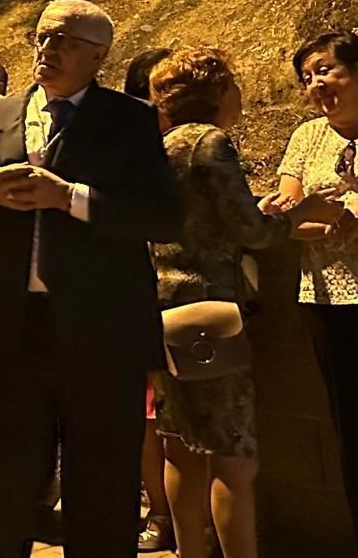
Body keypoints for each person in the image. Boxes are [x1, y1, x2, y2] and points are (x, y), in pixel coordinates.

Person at [0, 0, 182, 558]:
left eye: (66, 42)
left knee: (102, 483)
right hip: (7, 332)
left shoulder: (129, 121)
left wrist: (69, 198)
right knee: (1, 480)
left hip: (100, 332)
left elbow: (161, 216)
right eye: (43, 38)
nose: (47, 51)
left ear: (98, 57)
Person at [148, 48, 314, 558]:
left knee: (181, 448)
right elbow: (250, 231)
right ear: (218, 91)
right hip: (211, 310)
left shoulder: (158, 146)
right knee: (233, 456)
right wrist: (298, 215)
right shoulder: (210, 142)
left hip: (162, 308)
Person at [265, 30, 358, 516]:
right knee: (351, 426)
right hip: (330, 302)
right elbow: (289, 216)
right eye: (307, 77)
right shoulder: (307, 136)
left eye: (325, 70)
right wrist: (314, 219)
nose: (316, 84)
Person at [124, 46, 176, 553]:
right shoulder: (126, 149)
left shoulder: (197, 145)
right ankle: (160, 512)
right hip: (138, 295)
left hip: (187, 298)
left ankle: (186, 516)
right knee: (149, 417)